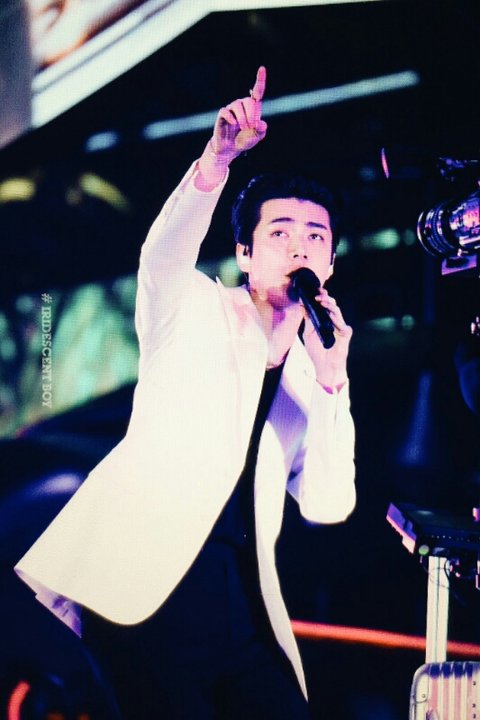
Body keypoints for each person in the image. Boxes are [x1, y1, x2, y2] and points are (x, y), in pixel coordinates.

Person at [15, 67, 356, 718]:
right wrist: (216, 160)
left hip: (242, 598)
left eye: (315, 237)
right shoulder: (195, 309)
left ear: (331, 263)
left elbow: (329, 504)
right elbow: (164, 255)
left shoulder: (313, 369)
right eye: (279, 232)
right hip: (150, 587)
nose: (299, 248)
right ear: (245, 254)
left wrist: (333, 380)